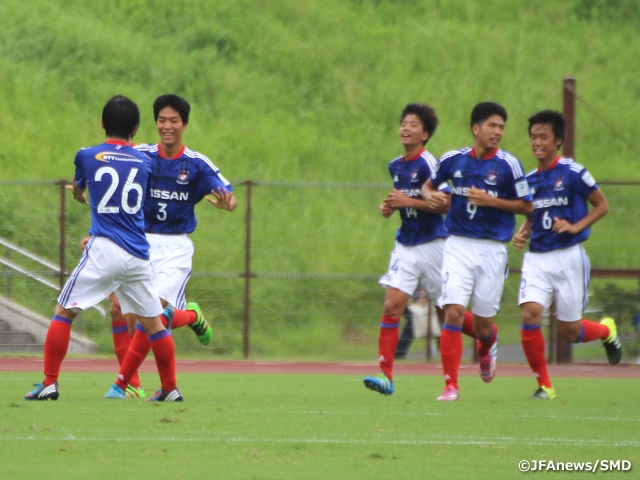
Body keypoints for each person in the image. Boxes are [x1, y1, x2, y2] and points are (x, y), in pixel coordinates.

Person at [25, 95, 180, 402]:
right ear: (136, 128)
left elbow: (80, 189)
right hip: (137, 253)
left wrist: (81, 197)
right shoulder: (146, 162)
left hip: (104, 247)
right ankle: (169, 388)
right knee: (153, 323)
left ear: (102, 123)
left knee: (64, 311)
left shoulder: (86, 155)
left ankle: (49, 383)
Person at [104, 93, 237, 399]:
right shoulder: (141, 156)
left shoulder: (197, 164)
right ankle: (189, 318)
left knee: (156, 313)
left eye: (174, 120)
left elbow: (231, 198)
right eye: (162, 120)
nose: (167, 126)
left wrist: (227, 204)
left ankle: (123, 384)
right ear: (155, 123)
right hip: (138, 242)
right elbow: (115, 193)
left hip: (175, 248)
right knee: (119, 310)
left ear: (184, 125)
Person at [363, 103, 478, 396]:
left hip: (434, 245)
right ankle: (386, 377)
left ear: (425, 133)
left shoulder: (430, 164)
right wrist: (390, 207)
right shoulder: (396, 165)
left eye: (413, 124)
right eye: (403, 122)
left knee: (447, 314)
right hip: (406, 245)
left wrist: (408, 202)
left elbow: (448, 203)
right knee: (391, 307)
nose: (405, 127)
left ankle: (485, 337)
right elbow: (404, 201)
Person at [422, 101, 534, 401]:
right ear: (476, 129)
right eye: (492, 126)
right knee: (453, 312)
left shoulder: (509, 165)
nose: (497, 132)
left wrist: (492, 201)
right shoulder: (453, 160)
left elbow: (528, 206)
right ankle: (451, 385)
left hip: (493, 250)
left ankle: (489, 341)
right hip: (457, 244)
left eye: (501, 127)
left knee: (483, 326)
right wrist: (431, 197)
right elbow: (427, 186)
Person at [513, 109, 621, 400]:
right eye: (533, 136)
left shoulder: (574, 173)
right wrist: (524, 231)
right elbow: (532, 212)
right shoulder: (527, 180)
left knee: (570, 332)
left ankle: (605, 330)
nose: (537, 142)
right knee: (530, 313)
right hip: (537, 257)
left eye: (543, 137)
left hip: (568, 257)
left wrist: (575, 226)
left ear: (558, 140)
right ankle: (544, 385)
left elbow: (601, 206)